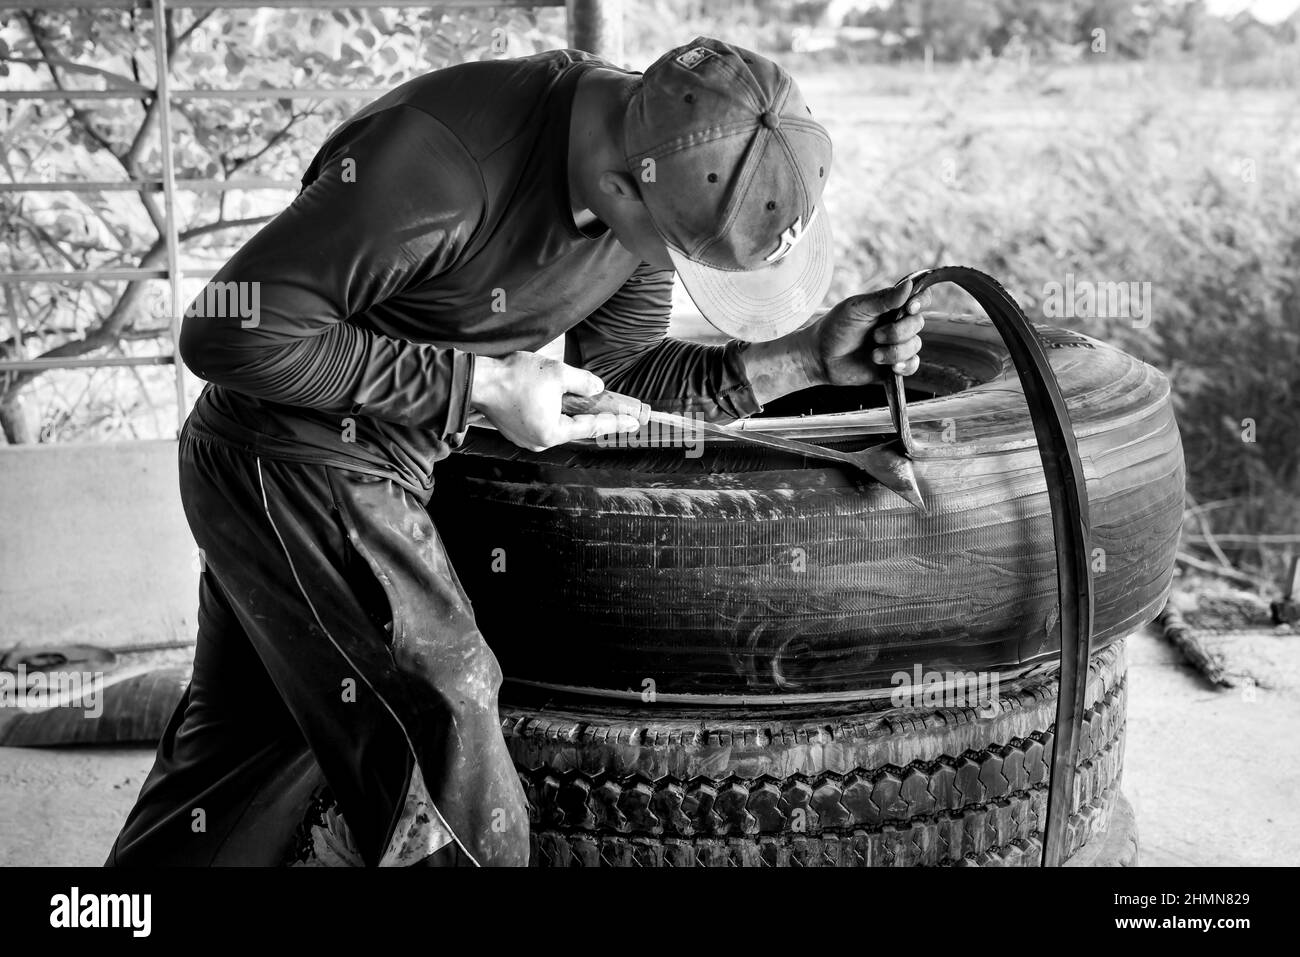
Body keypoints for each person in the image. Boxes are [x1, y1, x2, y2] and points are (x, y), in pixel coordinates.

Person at [106, 36, 926, 867]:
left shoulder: (642, 172)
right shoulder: (439, 165)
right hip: (289, 460)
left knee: (234, 776)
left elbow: (627, 377)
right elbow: (229, 331)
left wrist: (809, 359)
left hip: (359, 469)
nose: (669, 270)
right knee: (448, 718)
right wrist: (482, 386)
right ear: (619, 186)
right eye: (678, 255)